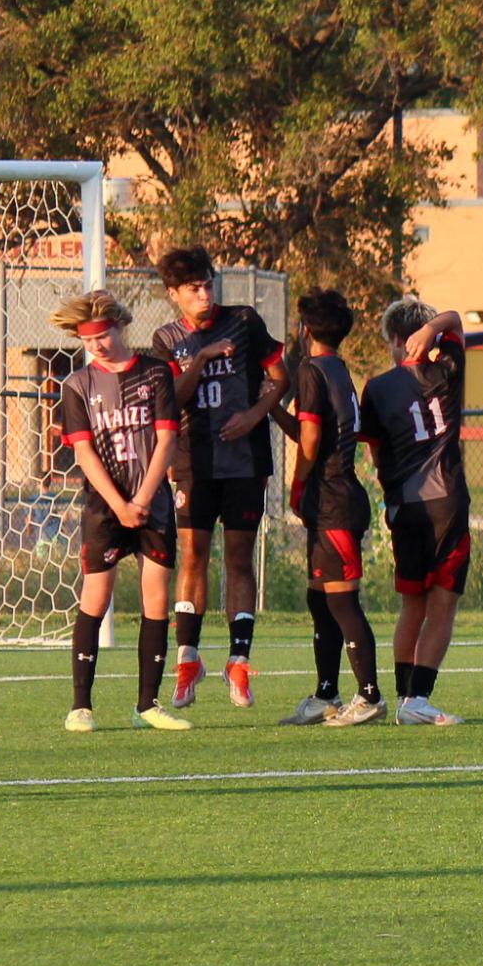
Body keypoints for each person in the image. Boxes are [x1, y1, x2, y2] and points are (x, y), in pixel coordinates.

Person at [150, 247, 289, 710]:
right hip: (194, 461)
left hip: (246, 462)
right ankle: (189, 659)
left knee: (239, 558)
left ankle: (238, 660)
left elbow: (280, 378)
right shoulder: (167, 338)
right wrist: (203, 357)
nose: (205, 294)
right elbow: (174, 398)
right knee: (192, 556)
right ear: (174, 295)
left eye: (209, 284)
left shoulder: (245, 321)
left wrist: (253, 416)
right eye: (194, 288)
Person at [54, 291, 188, 732]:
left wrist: (144, 500)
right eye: (88, 340)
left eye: (103, 336)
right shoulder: (76, 386)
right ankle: (80, 705)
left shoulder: (155, 373)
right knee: (95, 598)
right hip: (105, 507)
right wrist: (119, 504)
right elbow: (85, 454)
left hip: (153, 502)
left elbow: (166, 440)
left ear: (120, 327)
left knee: (156, 597)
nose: (96, 346)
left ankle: (147, 704)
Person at [360, 298, 472, 726]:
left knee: (412, 605)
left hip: (404, 505)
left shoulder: (377, 387)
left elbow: (374, 450)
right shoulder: (447, 371)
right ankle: (417, 699)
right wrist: (434, 330)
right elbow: (456, 320)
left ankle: (406, 695)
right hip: (447, 504)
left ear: (394, 341)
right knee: (442, 605)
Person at [278, 290, 385, 727]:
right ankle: (326, 694)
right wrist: (272, 412)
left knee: (343, 603)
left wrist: (297, 485)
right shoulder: (338, 368)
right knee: (319, 600)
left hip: (333, 499)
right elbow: (311, 430)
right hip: (338, 497)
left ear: (306, 331)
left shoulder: (310, 370)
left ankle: (370, 695)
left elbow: (309, 441)